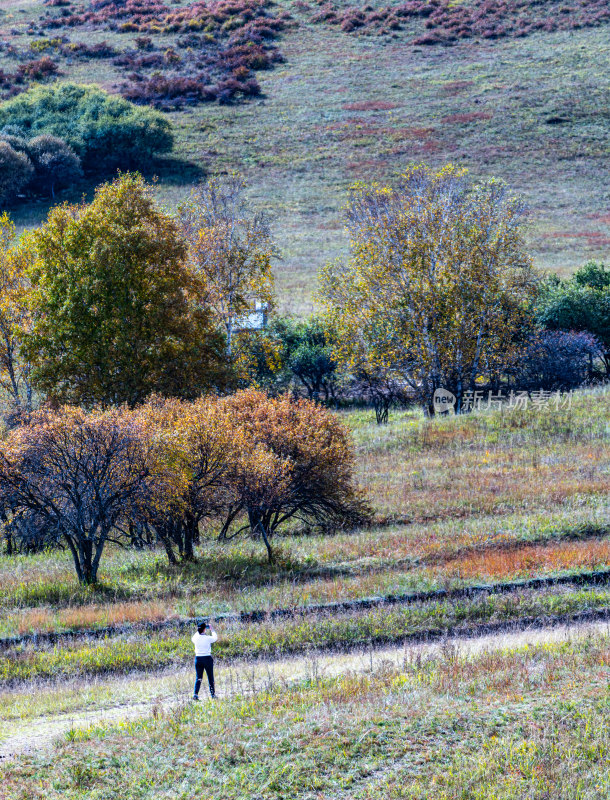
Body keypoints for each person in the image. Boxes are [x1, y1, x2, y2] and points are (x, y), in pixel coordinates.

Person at [191, 620, 217, 700]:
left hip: (198, 659)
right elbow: (215, 638)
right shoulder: (208, 638)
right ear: (204, 629)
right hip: (207, 658)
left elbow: (196, 635)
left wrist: (200, 629)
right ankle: (212, 695)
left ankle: (195, 694)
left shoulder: (195, 639)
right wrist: (212, 629)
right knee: (210, 677)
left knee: (198, 677)